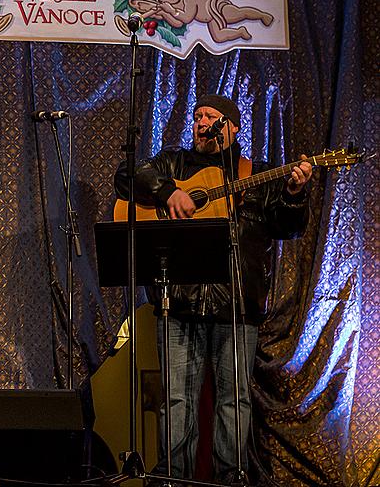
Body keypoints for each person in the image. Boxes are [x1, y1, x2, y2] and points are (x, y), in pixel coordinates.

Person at [113, 94, 312, 482]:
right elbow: (126, 174)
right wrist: (167, 191)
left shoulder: (257, 174)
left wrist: (294, 194)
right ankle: (174, 478)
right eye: (198, 115)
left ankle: (230, 478)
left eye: (211, 116)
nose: (202, 121)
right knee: (175, 401)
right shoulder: (174, 163)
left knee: (233, 402)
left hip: (237, 304)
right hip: (179, 302)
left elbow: (291, 227)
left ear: (233, 126)